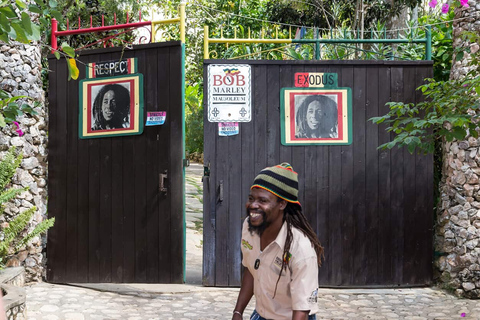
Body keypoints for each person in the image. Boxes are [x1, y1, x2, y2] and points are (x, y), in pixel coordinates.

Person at [232, 163, 324, 320]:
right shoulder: (249, 227)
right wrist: (238, 312)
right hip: (261, 314)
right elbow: (252, 268)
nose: (253, 205)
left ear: (282, 204)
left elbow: (301, 311)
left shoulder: (300, 249)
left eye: (263, 200)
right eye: (251, 198)